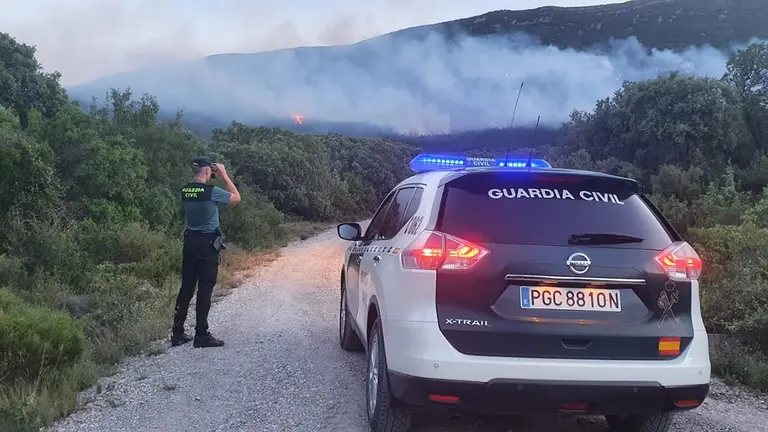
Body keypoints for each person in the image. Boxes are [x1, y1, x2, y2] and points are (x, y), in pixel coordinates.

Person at [171, 156, 241, 348]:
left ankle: (177, 332)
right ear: (208, 172)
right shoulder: (211, 191)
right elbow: (236, 197)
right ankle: (201, 334)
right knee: (205, 287)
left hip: (190, 242)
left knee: (186, 287)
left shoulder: (185, 190)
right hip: (207, 243)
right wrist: (225, 175)